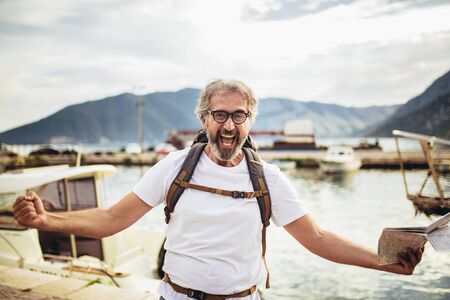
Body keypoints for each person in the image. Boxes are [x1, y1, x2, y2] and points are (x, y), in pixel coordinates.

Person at [13, 79, 423, 300]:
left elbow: (316, 238)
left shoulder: (268, 179)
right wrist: (48, 219)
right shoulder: (173, 167)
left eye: (239, 116)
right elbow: (111, 219)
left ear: (250, 121)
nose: (229, 126)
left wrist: (383, 263)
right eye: (220, 114)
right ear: (204, 118)